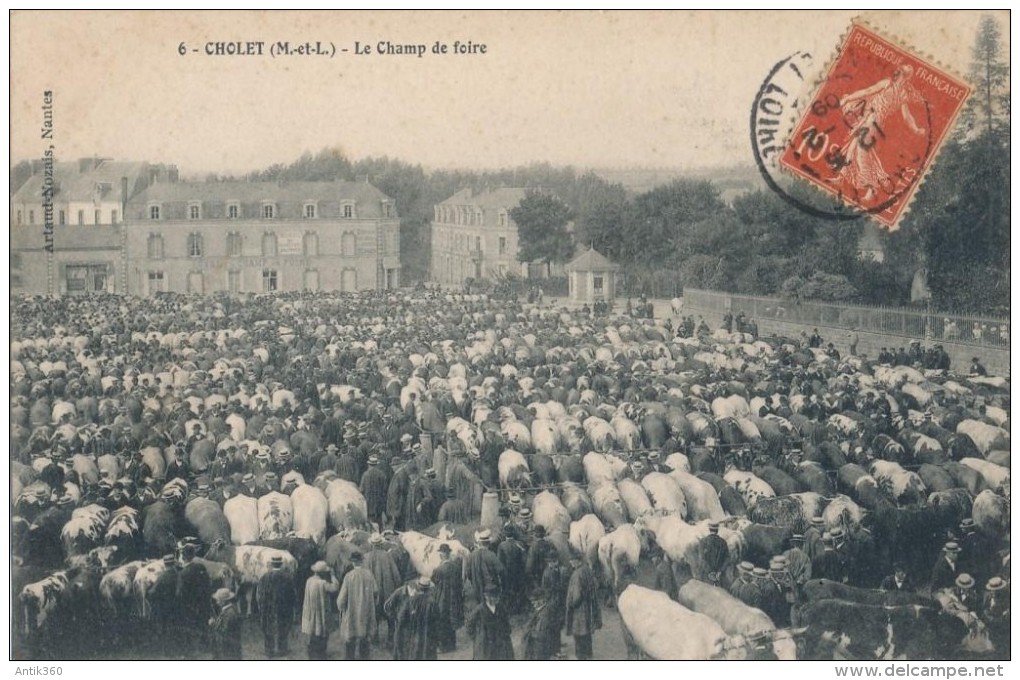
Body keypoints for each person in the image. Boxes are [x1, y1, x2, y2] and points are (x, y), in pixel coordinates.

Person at [387, 576, 442, 661]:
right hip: (428, 635)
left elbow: (402, 617)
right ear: (429, 589)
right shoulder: (432, 602)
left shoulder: (411, 600)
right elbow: (437, 621)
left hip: (414, 634)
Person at [337, 550, 378, 660]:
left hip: (352, 613)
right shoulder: (369, 574)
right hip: (365, 612)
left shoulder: (348, 576)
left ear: (353, 562)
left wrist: (341, 607)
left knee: (350, 639)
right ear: (361, 561)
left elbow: (341, 599)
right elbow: (375, 591)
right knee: (364, 638)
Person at [363, 533, 402, 647]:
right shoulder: (387, 556)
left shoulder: (366, 557)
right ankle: (390, 640)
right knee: (390, 615)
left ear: (372, 544)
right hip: (387, 591)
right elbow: (396, 575)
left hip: (372, 593)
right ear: (381, 544)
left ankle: (375, 639)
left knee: (374, 615)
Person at [257, 554, 297, 658]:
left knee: (268, 628)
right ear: (281, 564)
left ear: (271, 564)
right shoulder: (287, 578)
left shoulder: (264, 578)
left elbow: (259, 595)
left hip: (268, 608)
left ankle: (269, 651)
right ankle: (282, 649)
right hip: (283, 609)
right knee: (283, 628)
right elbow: (292, 595)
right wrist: (292, 608)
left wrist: (261, 607)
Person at [565, 552, 602, 660]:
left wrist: (571, 605)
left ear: (577, 561)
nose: (570, 563)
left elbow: (576, 596)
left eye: (572, 561)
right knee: (587, 634)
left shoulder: (577, 574)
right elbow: (596, 585)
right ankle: (588, 656)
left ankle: (581, 658)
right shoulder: (587, 570)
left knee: (579, 635)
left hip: (579, 611)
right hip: (588, 608)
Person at [176, 544, 212, 655]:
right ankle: (205, 647)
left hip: (189, 606)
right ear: (193, 555)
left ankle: (190, 652)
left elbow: (179, 593)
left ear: (183, 557)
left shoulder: (183, 574)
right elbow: (208, 584)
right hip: (203, 603)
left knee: (189, 628)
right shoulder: (201, 567)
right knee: (203, 625)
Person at [465, 583, 515, 660]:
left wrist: (506, 632)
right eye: (493, 597)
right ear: (486, 597)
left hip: (500, 641)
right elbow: (469, 624)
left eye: (497, 597)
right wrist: (476, 637)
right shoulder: (480, 609)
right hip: (486, 643)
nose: (495, 599)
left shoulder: (501, 608)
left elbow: (506, 622)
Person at [302, 561, 339, 660]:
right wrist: (333, 576)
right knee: (322, 631)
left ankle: (312, 652)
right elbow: (335, 588)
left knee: (313, 631)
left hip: (311, 610)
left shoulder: (309, 581)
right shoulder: (323, 583)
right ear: (322, 572)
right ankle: (321, 654)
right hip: (321, 611)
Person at [431, 543, 465, 653]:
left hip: (443, 598)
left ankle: (444, 646)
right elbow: (460, 582)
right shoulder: (455, 567)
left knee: (442, 621)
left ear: (441, 555)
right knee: (452, 620)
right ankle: (452, 644)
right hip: (454, 598)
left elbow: (434, 581)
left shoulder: (439, 569)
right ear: (449, 554)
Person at [463, 529, 505, 605]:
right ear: (488, 543)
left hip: (477, 589)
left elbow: (468, 573)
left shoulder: (471, 556)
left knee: (481, 608)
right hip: (490, 589)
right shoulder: (491, 555)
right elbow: (501, 570)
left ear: (479, 543)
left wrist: (474, 581)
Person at [522, 589, 558, 660]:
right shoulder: (539, 610)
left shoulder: (545, 614)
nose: (532, 603)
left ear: (542, 600)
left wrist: (529, 631)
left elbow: (540, 633)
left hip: (541, 648)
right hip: (538, 647)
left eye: (535, 600)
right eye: (532, 601)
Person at [208, 588, 243, 660]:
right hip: (230, 648)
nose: (217, 602)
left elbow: (224, 631)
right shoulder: (229, 610)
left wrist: (213, 624)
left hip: (228, 650)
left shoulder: (229, 613)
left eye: (218, 600)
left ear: (223, 601)